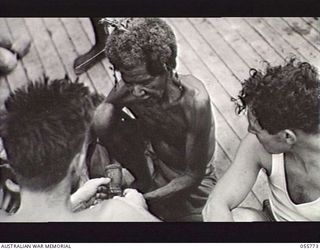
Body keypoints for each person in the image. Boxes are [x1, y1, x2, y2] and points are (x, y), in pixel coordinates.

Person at [92, 18, 217, 221]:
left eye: (145, 82)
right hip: (152, 156)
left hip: (190, 176)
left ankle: (145, 186)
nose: (136, 92)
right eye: (128, 81)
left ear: (168, 67)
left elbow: (193, 176)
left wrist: (140, 200)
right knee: (100, 119)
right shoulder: (130, 87)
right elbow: (104, 114)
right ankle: (144, 178)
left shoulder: (194, 101)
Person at [0, 76, 159, 222]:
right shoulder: (118, 215)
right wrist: (137, 210)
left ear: (10, 165)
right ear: (77, 162)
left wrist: (74, 201)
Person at [202, 58, 320, 221]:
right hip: (274, 221)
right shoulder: (257, 145)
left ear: (287, 137)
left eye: (256, 130)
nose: (250, 131)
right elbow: (216, 203)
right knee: (239, 218)